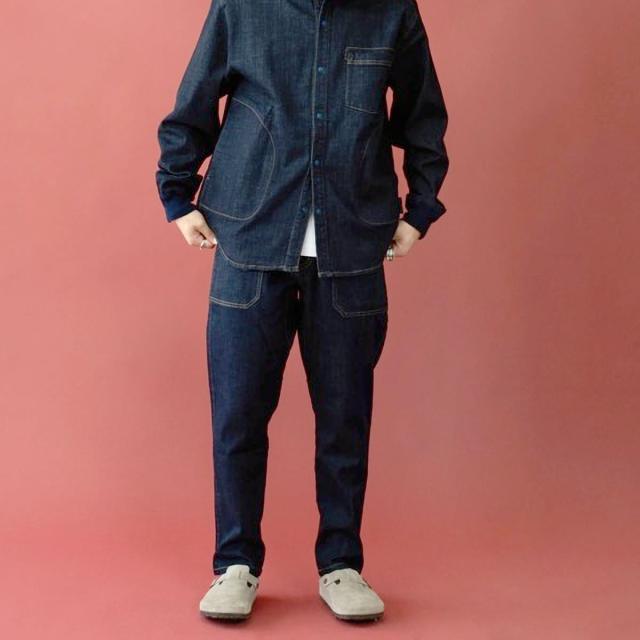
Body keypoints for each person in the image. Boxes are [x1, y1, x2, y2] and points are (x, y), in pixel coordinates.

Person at [155, 0, 448, 622]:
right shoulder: (241, 6)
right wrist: (177, 195)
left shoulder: (391, 12)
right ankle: (235, 564)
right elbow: (194, 102)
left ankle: (341, 565)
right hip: (250, 238)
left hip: (352, 243)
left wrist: (421, 209)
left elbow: (422, 111)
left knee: (345, 418)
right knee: (238, 415)